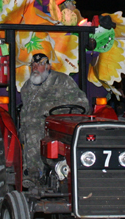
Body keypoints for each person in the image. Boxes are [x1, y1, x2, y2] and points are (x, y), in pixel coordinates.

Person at [19, 53, 90, 183]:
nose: (35, 68)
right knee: (32, 131)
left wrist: (50, 107)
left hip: (57, 124)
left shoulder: (63, 81)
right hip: (34, 127)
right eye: (33, 65)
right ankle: (34, 174)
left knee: (35, 132)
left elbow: (81, 103)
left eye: (40, 64)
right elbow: (25, 111)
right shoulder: (27, 87)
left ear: (48, 66)